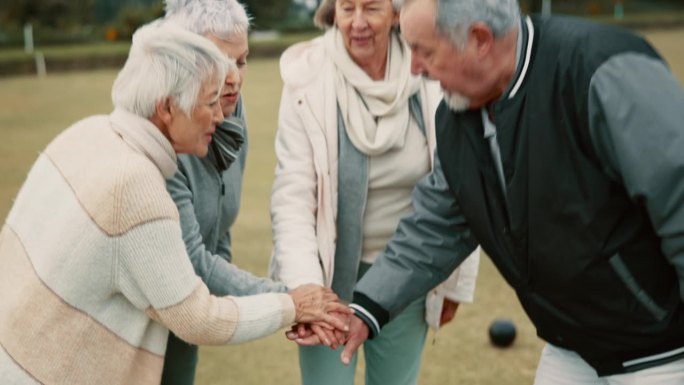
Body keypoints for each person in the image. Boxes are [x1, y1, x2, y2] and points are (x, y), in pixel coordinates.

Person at [338, 0, 684, 383]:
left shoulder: (600, 68)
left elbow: (678, 197)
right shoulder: (457, 117)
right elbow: (436, 226)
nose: (415, 68)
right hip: (570, 348)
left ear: (480, 40)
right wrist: (367, 307)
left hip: (663, 352)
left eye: (425, 50)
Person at [0, 22, 350, 385]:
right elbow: (198, 317)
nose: (219, 116)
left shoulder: (88, 132)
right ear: (167, 108)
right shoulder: (136, 186)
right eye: (209, 102)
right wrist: (293, 305)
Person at [269, 0, 480, 384]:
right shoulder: (307, 77)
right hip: (328, 280)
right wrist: (307, 291)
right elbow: (293, 196)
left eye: (372, 8)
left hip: (407, 275)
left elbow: (462, 185)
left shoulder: (429, 68)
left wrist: (456, 283)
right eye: (347, 8)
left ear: (397, 12)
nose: (358, 22)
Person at [159, 1, 291, 383]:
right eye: (219, 61)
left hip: (184, 305)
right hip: (135, 317)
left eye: (242, 61)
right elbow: (193, 261)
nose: (233, 77)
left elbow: (218, 226)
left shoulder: (231, 110)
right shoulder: (162, 136)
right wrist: (286, 301)